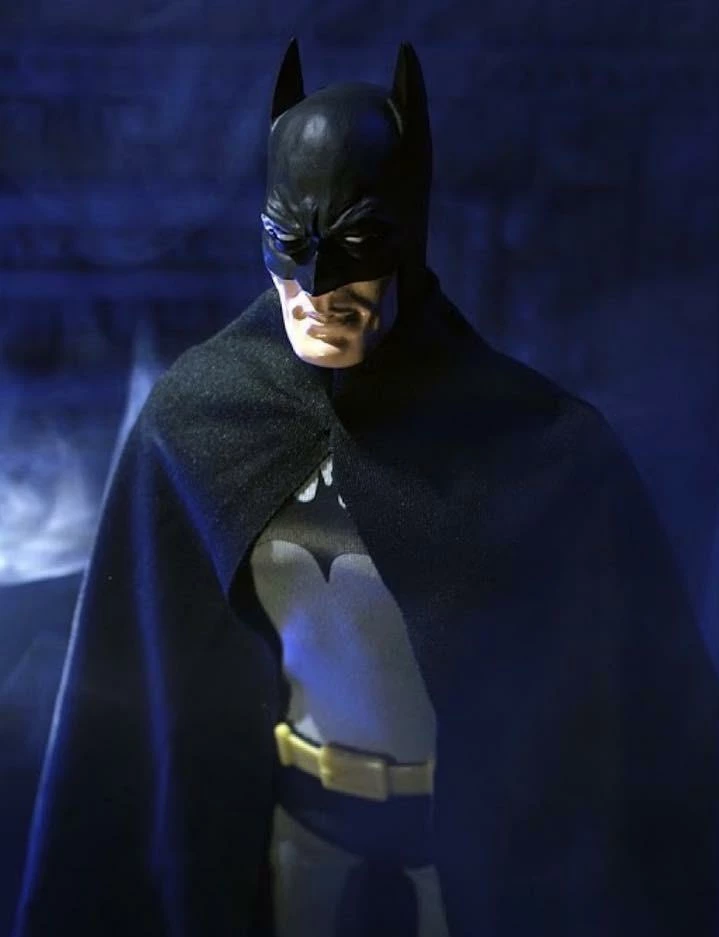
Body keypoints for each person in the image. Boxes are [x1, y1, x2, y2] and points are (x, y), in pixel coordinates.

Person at [13, 39, 719, 937]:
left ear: (409, 234)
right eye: (291, 245)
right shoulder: (198, 418)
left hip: (476, 859)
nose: (318, 288)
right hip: (284, 840)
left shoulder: (538, 450)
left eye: (356, 244)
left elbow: (630, 726)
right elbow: (132, 706)